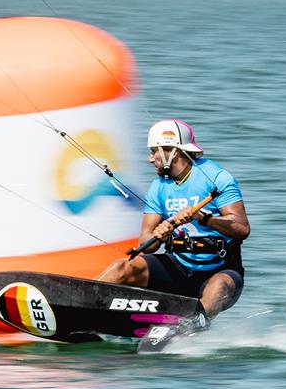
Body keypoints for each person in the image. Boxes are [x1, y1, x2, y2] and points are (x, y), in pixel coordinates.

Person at [97, 119, 250, 324]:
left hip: (221, 270)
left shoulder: (218, 178)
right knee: (121, 269)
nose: (150, 159)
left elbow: (242, 228)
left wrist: (204, 217)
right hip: (178, 268)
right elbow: (146, 239)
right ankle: (82, 307)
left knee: (219, 285)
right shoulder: (158, 186)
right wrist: (158, 237)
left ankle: (189, 330)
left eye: (154, 151)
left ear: (173, 151)